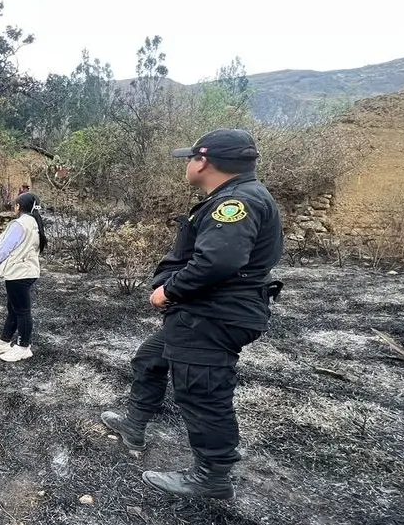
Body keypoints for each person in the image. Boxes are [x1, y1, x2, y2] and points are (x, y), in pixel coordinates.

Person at [99, 128, 284, 500]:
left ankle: (211, 476)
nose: (187, 164)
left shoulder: (237, 202)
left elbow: (219, 260)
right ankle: (134, 425)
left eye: (190, 158)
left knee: (203, 393)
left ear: (204, 161)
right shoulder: (237, 196)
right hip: (200, 313)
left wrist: (168, 290)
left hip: (212, 317)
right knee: (150, 359)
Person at [0, 192, 48, 362]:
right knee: (14, 308)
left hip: (18, 273)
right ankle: (4, 341)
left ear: (18, 206)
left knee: (22, 311)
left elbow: (5, 248)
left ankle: (23, 347)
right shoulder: (35, 223)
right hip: (28, 271)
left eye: (15, 205)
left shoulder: (19, 224)